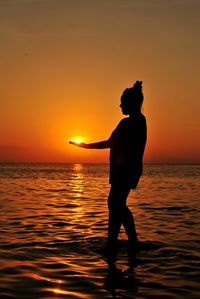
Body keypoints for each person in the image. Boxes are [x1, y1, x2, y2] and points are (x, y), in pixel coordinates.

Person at [69, 81, 147, 252]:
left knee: (116, 203)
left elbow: (110, 143)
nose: (120, 105)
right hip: (129, 170)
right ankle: (114, 240)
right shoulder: (141, 121)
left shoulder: (128, 123)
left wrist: (86, 146)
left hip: (124, 170)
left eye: (122, 102)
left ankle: (129, 241)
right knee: (116, 204)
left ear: (131, 103)